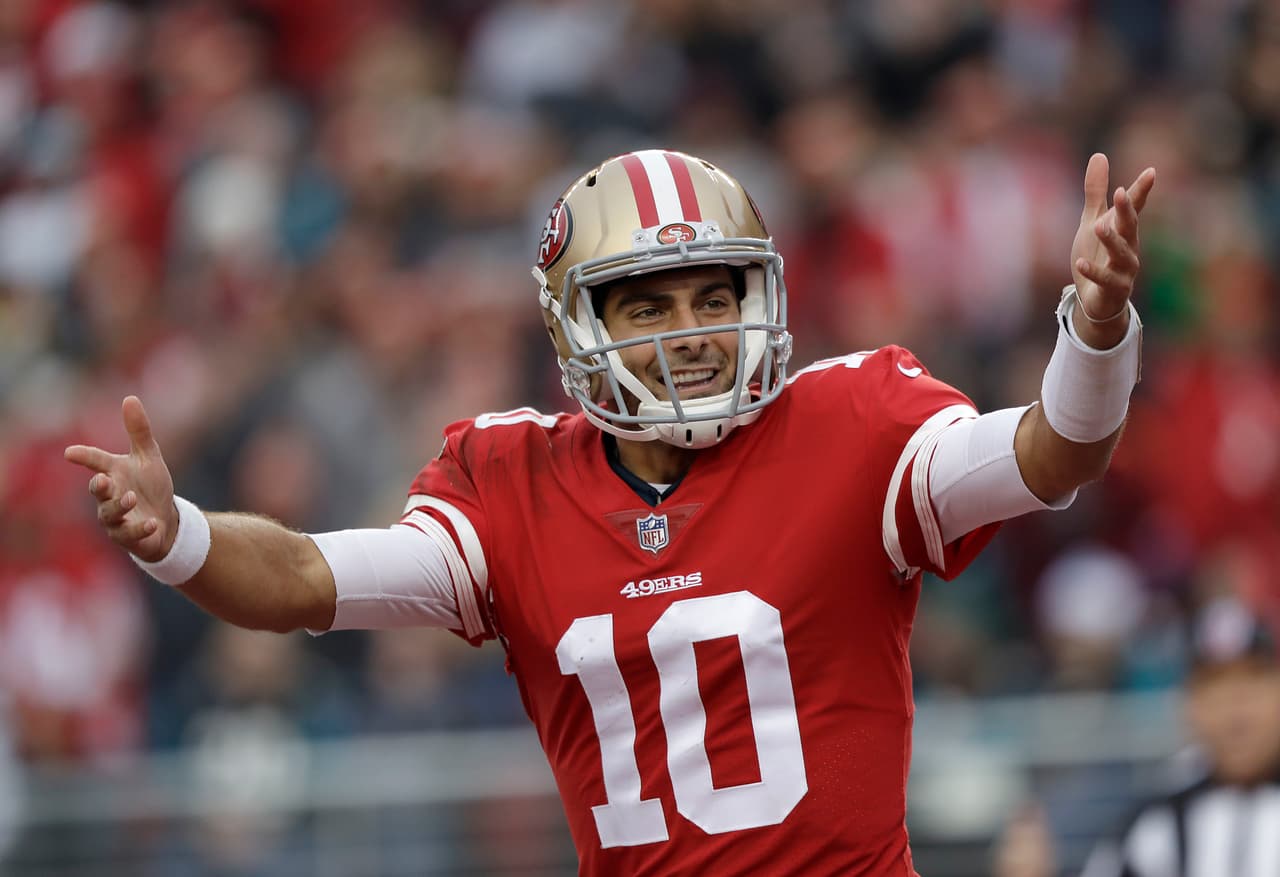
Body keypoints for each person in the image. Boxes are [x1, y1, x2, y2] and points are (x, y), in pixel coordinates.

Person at [66, 149, 1155, 875]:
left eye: (714, 295)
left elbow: (1052, 452)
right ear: (578, 325)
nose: (691, 331)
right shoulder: (513, 481)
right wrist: (181, 537)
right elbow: (306, 579)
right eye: (648, 305)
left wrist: (1096, 329)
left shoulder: (851, 423)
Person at [1080, 597, 1280, 877]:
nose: (1236, 715)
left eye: (1252, 683)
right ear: (1189, 705)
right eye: (1215, 688)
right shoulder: (1152, 828)